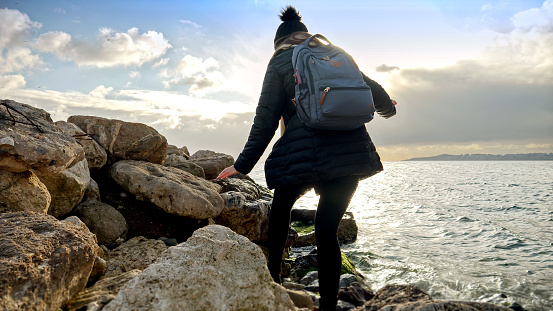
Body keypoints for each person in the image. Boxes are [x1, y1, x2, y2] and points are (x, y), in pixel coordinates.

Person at [217, 6, 396, 310]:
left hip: (301, 157)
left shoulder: (280, 61)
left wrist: (241, 165)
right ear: (305, 34)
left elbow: (266, 119)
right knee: (327, 230)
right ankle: (328, 306)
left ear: (279, 42)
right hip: (350, 158)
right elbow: (378, 96)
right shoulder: (336, 53)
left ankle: (274, 280)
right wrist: (388, 108)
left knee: (281, 207)